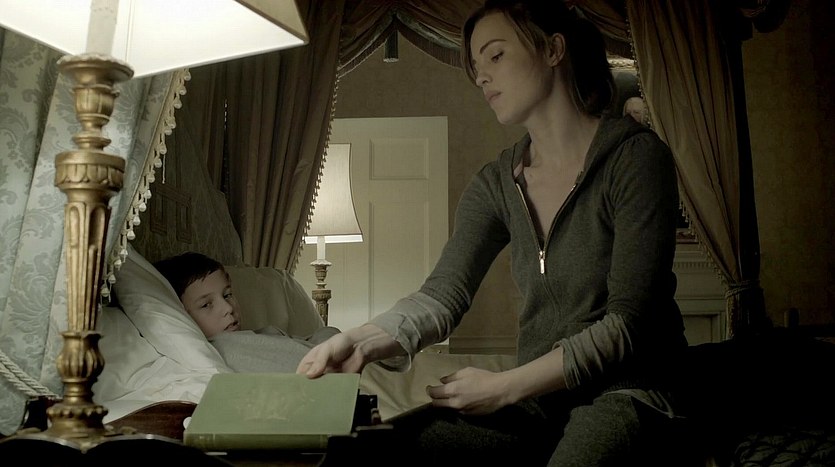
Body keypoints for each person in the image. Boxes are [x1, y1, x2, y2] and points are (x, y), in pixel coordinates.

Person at [297, 1, 689, 465]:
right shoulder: (496, 183)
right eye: (476, 66)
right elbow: (442, 296)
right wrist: (360, 340)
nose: (481, 77)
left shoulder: (636, 158)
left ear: (553, 50)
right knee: (375, 449)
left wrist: (504, 386)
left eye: (496, 56)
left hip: (631, 391)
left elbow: (628, 325)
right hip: (542, 402)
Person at [154, 252, 339, 373]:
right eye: (206, 305)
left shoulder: (259, 333)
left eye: (227, 295)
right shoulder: (225, 348)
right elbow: (322, 364)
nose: (228, 308)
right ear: (182, 317)